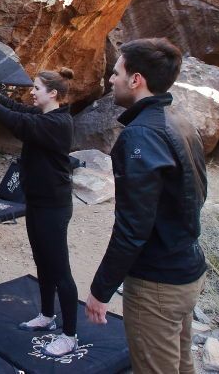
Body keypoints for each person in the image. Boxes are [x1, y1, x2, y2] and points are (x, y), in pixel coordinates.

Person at [85, 38, 207, 374]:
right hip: (188, 270)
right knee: (181, 366)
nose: (111, 80)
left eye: (116, 73)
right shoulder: (179, 120)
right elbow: (199, 192)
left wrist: (100, 289)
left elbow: (132, 226)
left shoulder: (139, 136)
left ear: (136, 79)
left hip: (158, 286)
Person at [0, 58, 79, 357]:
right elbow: (18, 110)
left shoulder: (58, 123)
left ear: (53, 94)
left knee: (60, 270)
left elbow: (18, 122)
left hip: (54, 207)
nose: (32, 92)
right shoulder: (45, 115)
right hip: (37, 203)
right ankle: (46, 316)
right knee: (43, 263)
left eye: (37, 88)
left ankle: (70, 335)